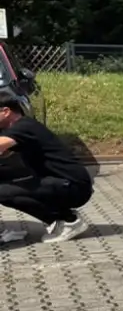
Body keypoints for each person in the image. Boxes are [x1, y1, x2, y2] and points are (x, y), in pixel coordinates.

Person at [0, 92, 92, 244]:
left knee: (4, 192)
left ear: (6, 111)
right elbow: (5, 153)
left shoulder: (25, 127)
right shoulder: (15, 129)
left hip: (73, 184)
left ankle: (69, 221)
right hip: (59, 181)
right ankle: (63, 218)